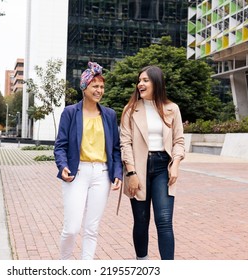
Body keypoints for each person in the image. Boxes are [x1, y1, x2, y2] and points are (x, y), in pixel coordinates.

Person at [54, 61, 123, 260]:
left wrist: (117, 172)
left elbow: (116, 149)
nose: (99, 90)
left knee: (92, 228)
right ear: (84, 87)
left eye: (102, 86)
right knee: (72, 228)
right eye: (95, 86)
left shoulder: (109, 115)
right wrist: (63, 165)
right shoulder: (70, 112)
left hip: (101, 175)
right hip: (77, 173)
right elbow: (60, 145)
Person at [120, 65, 185, 260]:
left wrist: (175, 164)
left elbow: (179, 141)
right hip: (138, 168)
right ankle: (143, 263)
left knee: (164, 220)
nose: (140, 84)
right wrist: (131, 174)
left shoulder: (172, 109)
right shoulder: (130, 110)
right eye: (139, 80)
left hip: (162, 168)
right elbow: (125, 143)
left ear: (157, 82)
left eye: (145, 80)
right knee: (141, 220)